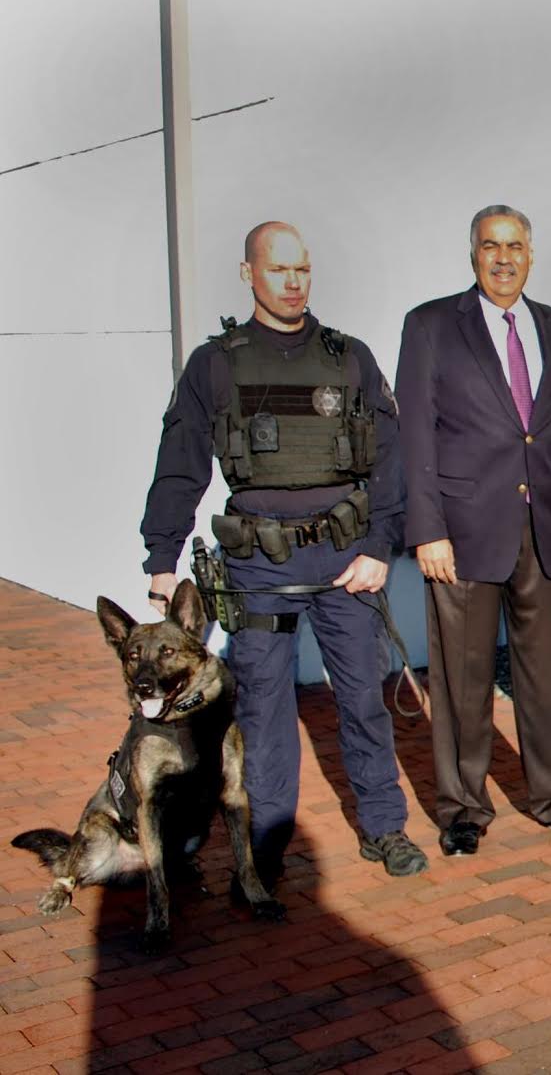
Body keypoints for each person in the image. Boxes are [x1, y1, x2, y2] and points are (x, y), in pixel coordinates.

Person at [139, 221, 427, 882]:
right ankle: (265, 840)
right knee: (263, 704)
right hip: (257, 566)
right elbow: (180, 458)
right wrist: (163, 557)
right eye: (277, 270)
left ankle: (384, 827)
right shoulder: (217, 363)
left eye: (302, 270)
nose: (293, 283)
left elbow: (389, 459)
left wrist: (382, 545)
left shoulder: (349, 357)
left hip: (345, 558)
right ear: (249, 275)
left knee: (361, 698)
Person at [395, 204, 551, 857]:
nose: (503, 257)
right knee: (463, 679)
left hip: (541, 529)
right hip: (461, 531)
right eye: (490, 245)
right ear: (472, 253)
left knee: (542, 675)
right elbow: (415, 434)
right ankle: (462, 808)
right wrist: (427, 529)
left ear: (530, 254)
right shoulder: (430, 326)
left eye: (515, 246)